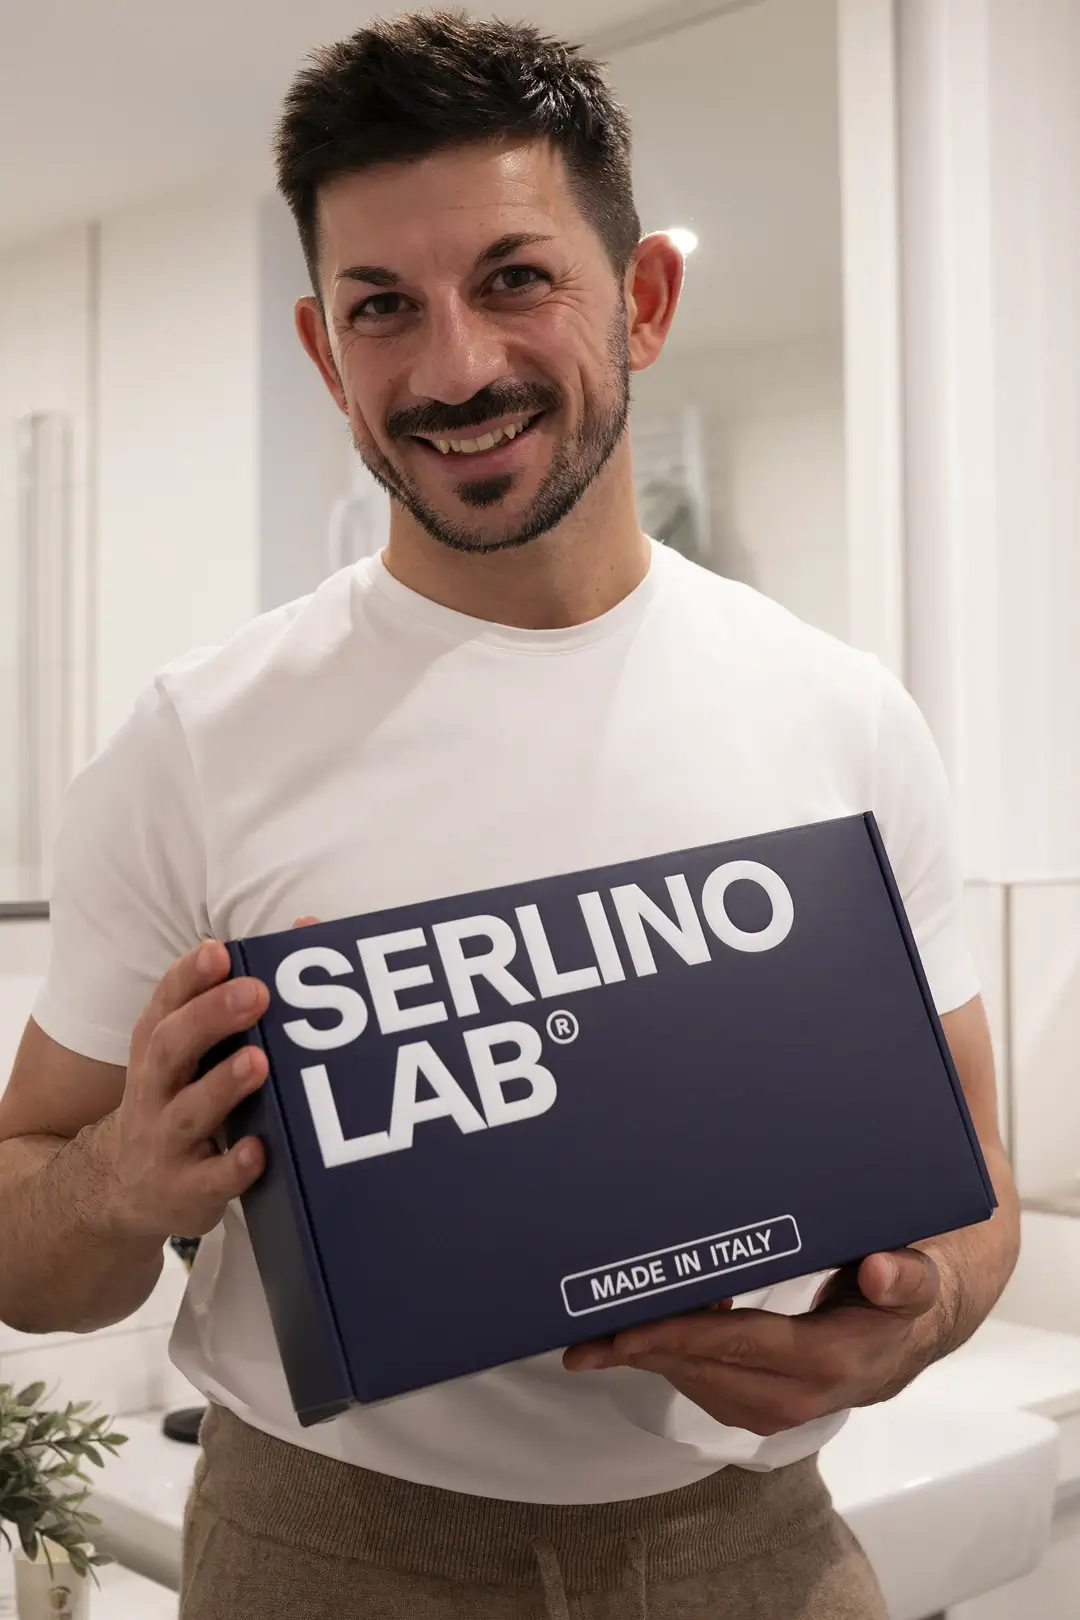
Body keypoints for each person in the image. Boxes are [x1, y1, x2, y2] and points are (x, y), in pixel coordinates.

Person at [0, 13, 1019, 1618]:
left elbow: (976, 1185)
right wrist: (121, 1184)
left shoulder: (840, 712)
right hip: (327, 1551)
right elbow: (26, 1238)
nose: (454, 368)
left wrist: (921, 1315)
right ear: (324, 351)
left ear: (645, 300)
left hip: (761, 1544)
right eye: (382, 307)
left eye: (516, 278)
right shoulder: (195, 743)